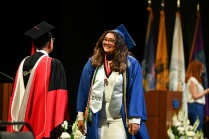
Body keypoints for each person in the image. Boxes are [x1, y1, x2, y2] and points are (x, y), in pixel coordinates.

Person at [76, 24, 149, 139]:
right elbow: (83, 88)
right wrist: (80, 115)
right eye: (105, 39)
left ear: (119, 45)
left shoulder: (130, 64)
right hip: (97, 118)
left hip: (119, 119)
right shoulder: (94, 62)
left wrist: (135, 119)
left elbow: (136, 92)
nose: (107, 42)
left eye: (111, 40)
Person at [6, 21, 69, 139]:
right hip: (42, 123)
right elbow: (58, 95)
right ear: (50, 43)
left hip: (22, 124)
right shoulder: (52, 64)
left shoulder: (23, 63)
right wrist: (58, 123)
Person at [185, 60, 209, 131]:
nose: (202, 71)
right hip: (195, 106)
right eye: (201, 69)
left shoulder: (196, 80)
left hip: (198, 107)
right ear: (197, 69)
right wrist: (206, 91)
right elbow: (195, 96)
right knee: (197, 129)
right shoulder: (192, 80)